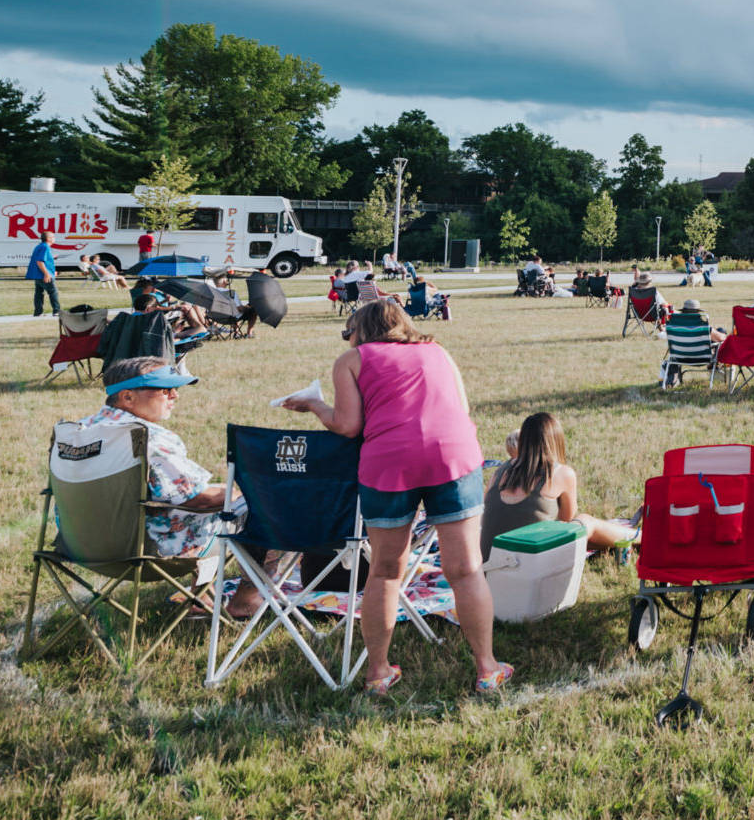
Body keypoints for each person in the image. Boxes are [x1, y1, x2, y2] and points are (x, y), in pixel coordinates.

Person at [284, 297, 508, 697]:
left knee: (385, 571)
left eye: (347, 332)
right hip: (452, 456)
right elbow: (463, 406)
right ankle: (487, 668)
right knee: (466, 569)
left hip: (389, 465)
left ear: (360, 330)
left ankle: (378, 672)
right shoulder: (437, 350)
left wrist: (316, 405)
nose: (347, 339)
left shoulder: (351, 361)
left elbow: (348, 426)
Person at [78, 357, 263, 618]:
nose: (174, 395)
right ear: (127, 397)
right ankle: (246, 601)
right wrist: (247, 492)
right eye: (165, 390)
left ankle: (202, 597)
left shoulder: (78, 431)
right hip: (143, 550)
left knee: (222, 496)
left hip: (82, 544)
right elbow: (197, 499)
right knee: (266, 508)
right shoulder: (146, 437)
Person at [482, 413, 636, 556]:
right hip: (532, 564)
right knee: (586, 522)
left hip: (490, 564)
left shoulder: (499, 472)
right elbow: (565, 523)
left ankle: (621, 543)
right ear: (556, 440)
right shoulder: (561, 473)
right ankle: (641, 538)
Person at [27, 232, 59, 317]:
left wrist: (52, 271)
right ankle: (56, 311)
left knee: (39, 293)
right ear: (48, 238)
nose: (54, 238)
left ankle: (38, 312)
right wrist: (47, 274)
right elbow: (40, 261)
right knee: (53, 292)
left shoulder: (39, 246)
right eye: (53, 236)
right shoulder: (45, 247)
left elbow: (44, 261)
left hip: (38, 275)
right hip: (43, 275)